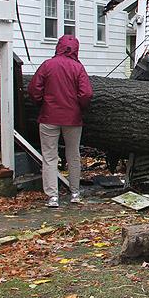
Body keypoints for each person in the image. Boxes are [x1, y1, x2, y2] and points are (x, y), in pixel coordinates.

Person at [27, 35, 93, 207]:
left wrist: (41, 103)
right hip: (73, 118)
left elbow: (34, 89)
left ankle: (52, 196)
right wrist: (80, 108)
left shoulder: (47, 65)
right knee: (73, 156)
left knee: (49, 156)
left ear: (59, 47)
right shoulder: (78, 68)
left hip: (49, 116)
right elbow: (86, 94)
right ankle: (75, 193)